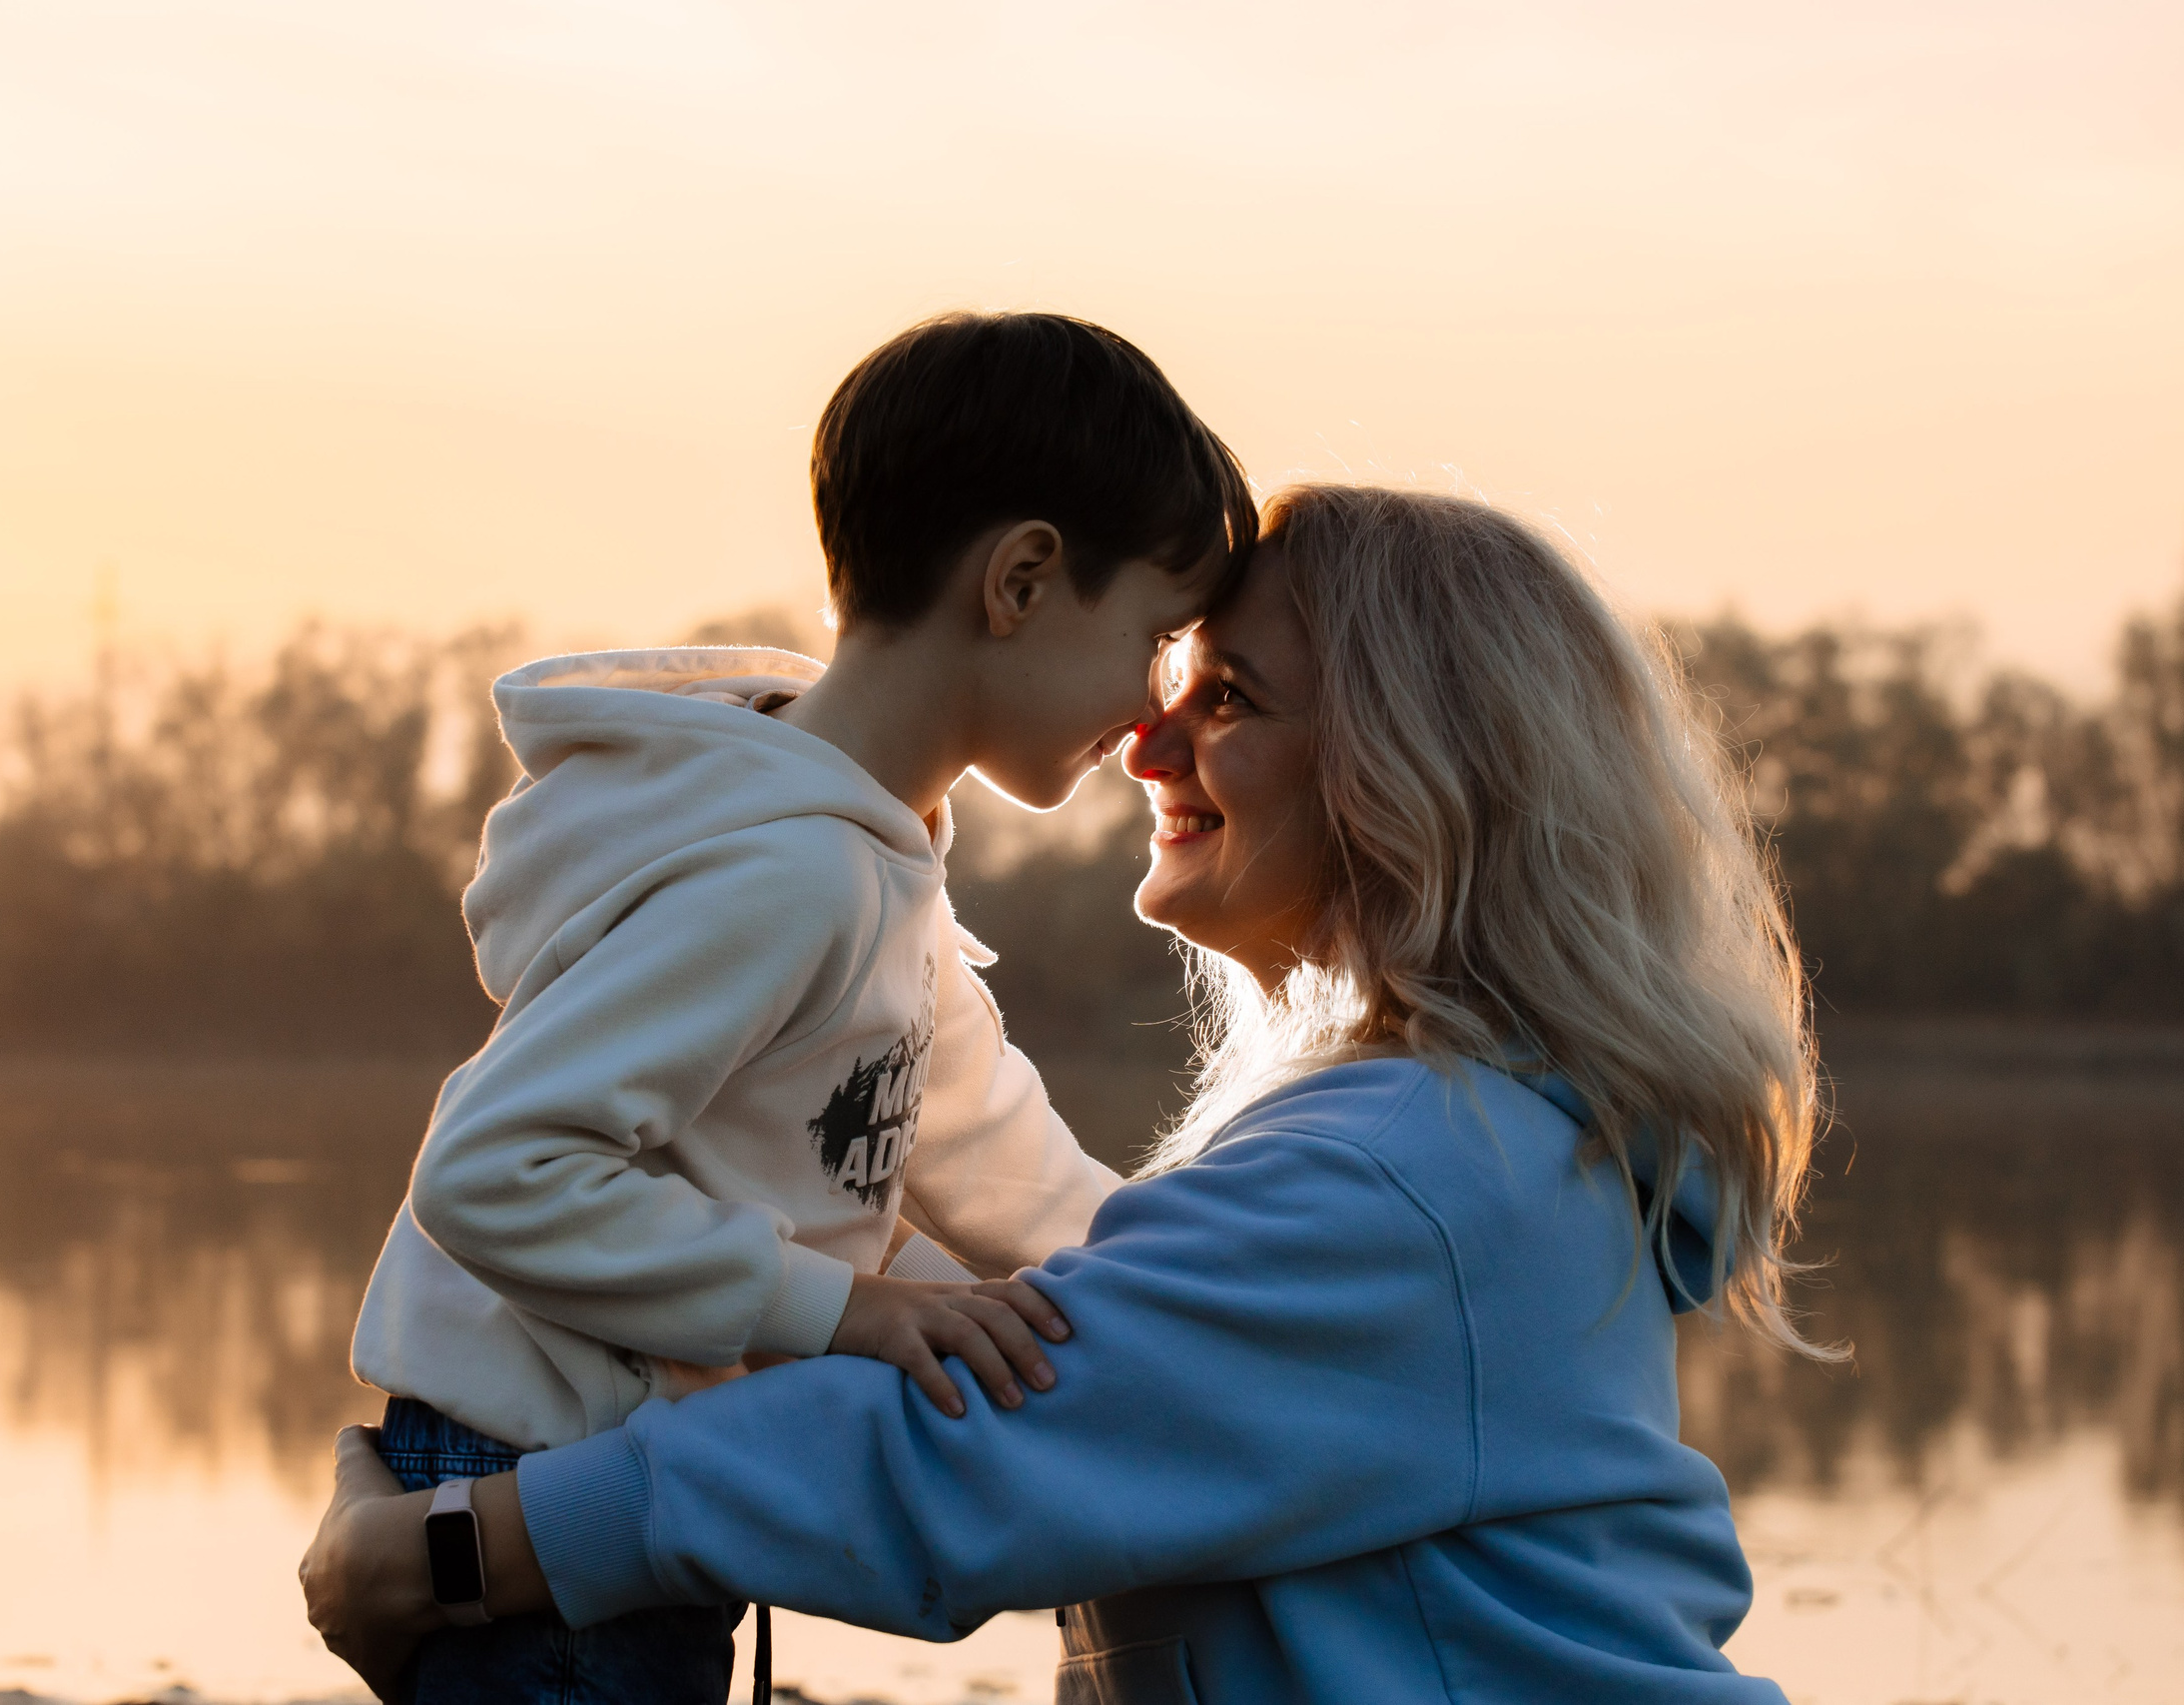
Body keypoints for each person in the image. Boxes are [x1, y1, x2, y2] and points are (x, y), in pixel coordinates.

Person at [305, 483, 1826, 1703]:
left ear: (1415, 769)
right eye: (1166, 678)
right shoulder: (1451, 1141)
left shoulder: (1416, 1172)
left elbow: (969, 1450)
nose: (1146, 741)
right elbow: (1079, 1315)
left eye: (1228, 695)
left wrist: (460, 1551)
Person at [347, 311, 1259, 1701]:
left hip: (613, 1492)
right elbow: (497, 1171)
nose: (1151, 719)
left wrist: (1197, 1311)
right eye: (1152, 641)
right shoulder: (793, 872)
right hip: (528, 1488)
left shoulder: (875, 854)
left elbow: (986, 1145)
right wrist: (846, 1310)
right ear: (1019, 579)